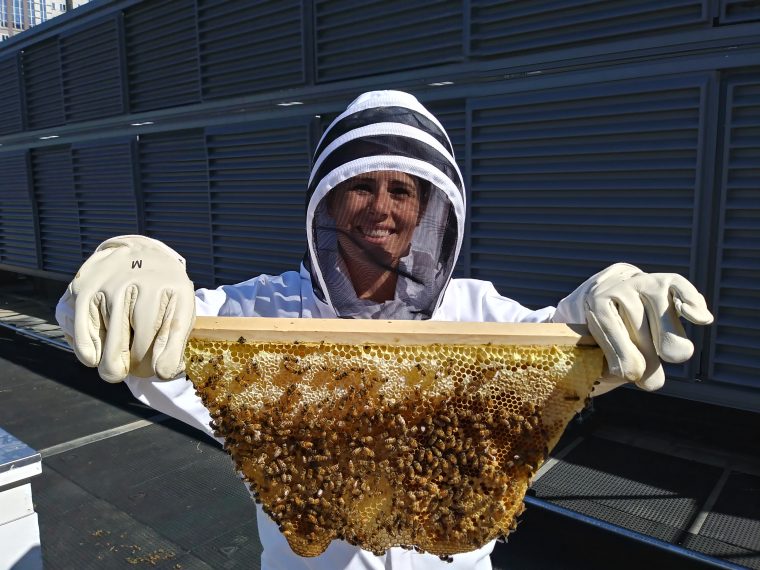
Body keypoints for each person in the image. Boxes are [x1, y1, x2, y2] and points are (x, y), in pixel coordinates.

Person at [55, 90, 714, 570]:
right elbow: (153, 336)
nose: (381, 207)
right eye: (361, 186)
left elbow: (554, 347)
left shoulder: (477, 311)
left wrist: (594, 313)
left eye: (402, 190)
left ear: (429, 209)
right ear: (329, 200)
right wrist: (132, 266)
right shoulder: (265, 310)